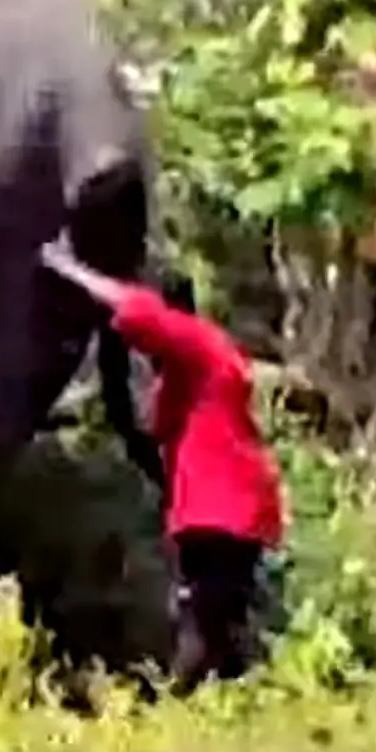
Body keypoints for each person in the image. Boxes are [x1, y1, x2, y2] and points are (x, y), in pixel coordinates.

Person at [44, 246, 284, 695]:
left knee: (205, 618)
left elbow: (139, 313)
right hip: (208, 512)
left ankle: (176, 705)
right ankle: (224, 700)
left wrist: (68, 268)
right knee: (215, 617)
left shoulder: (201, 344)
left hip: (225, 511)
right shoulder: (182, 374)